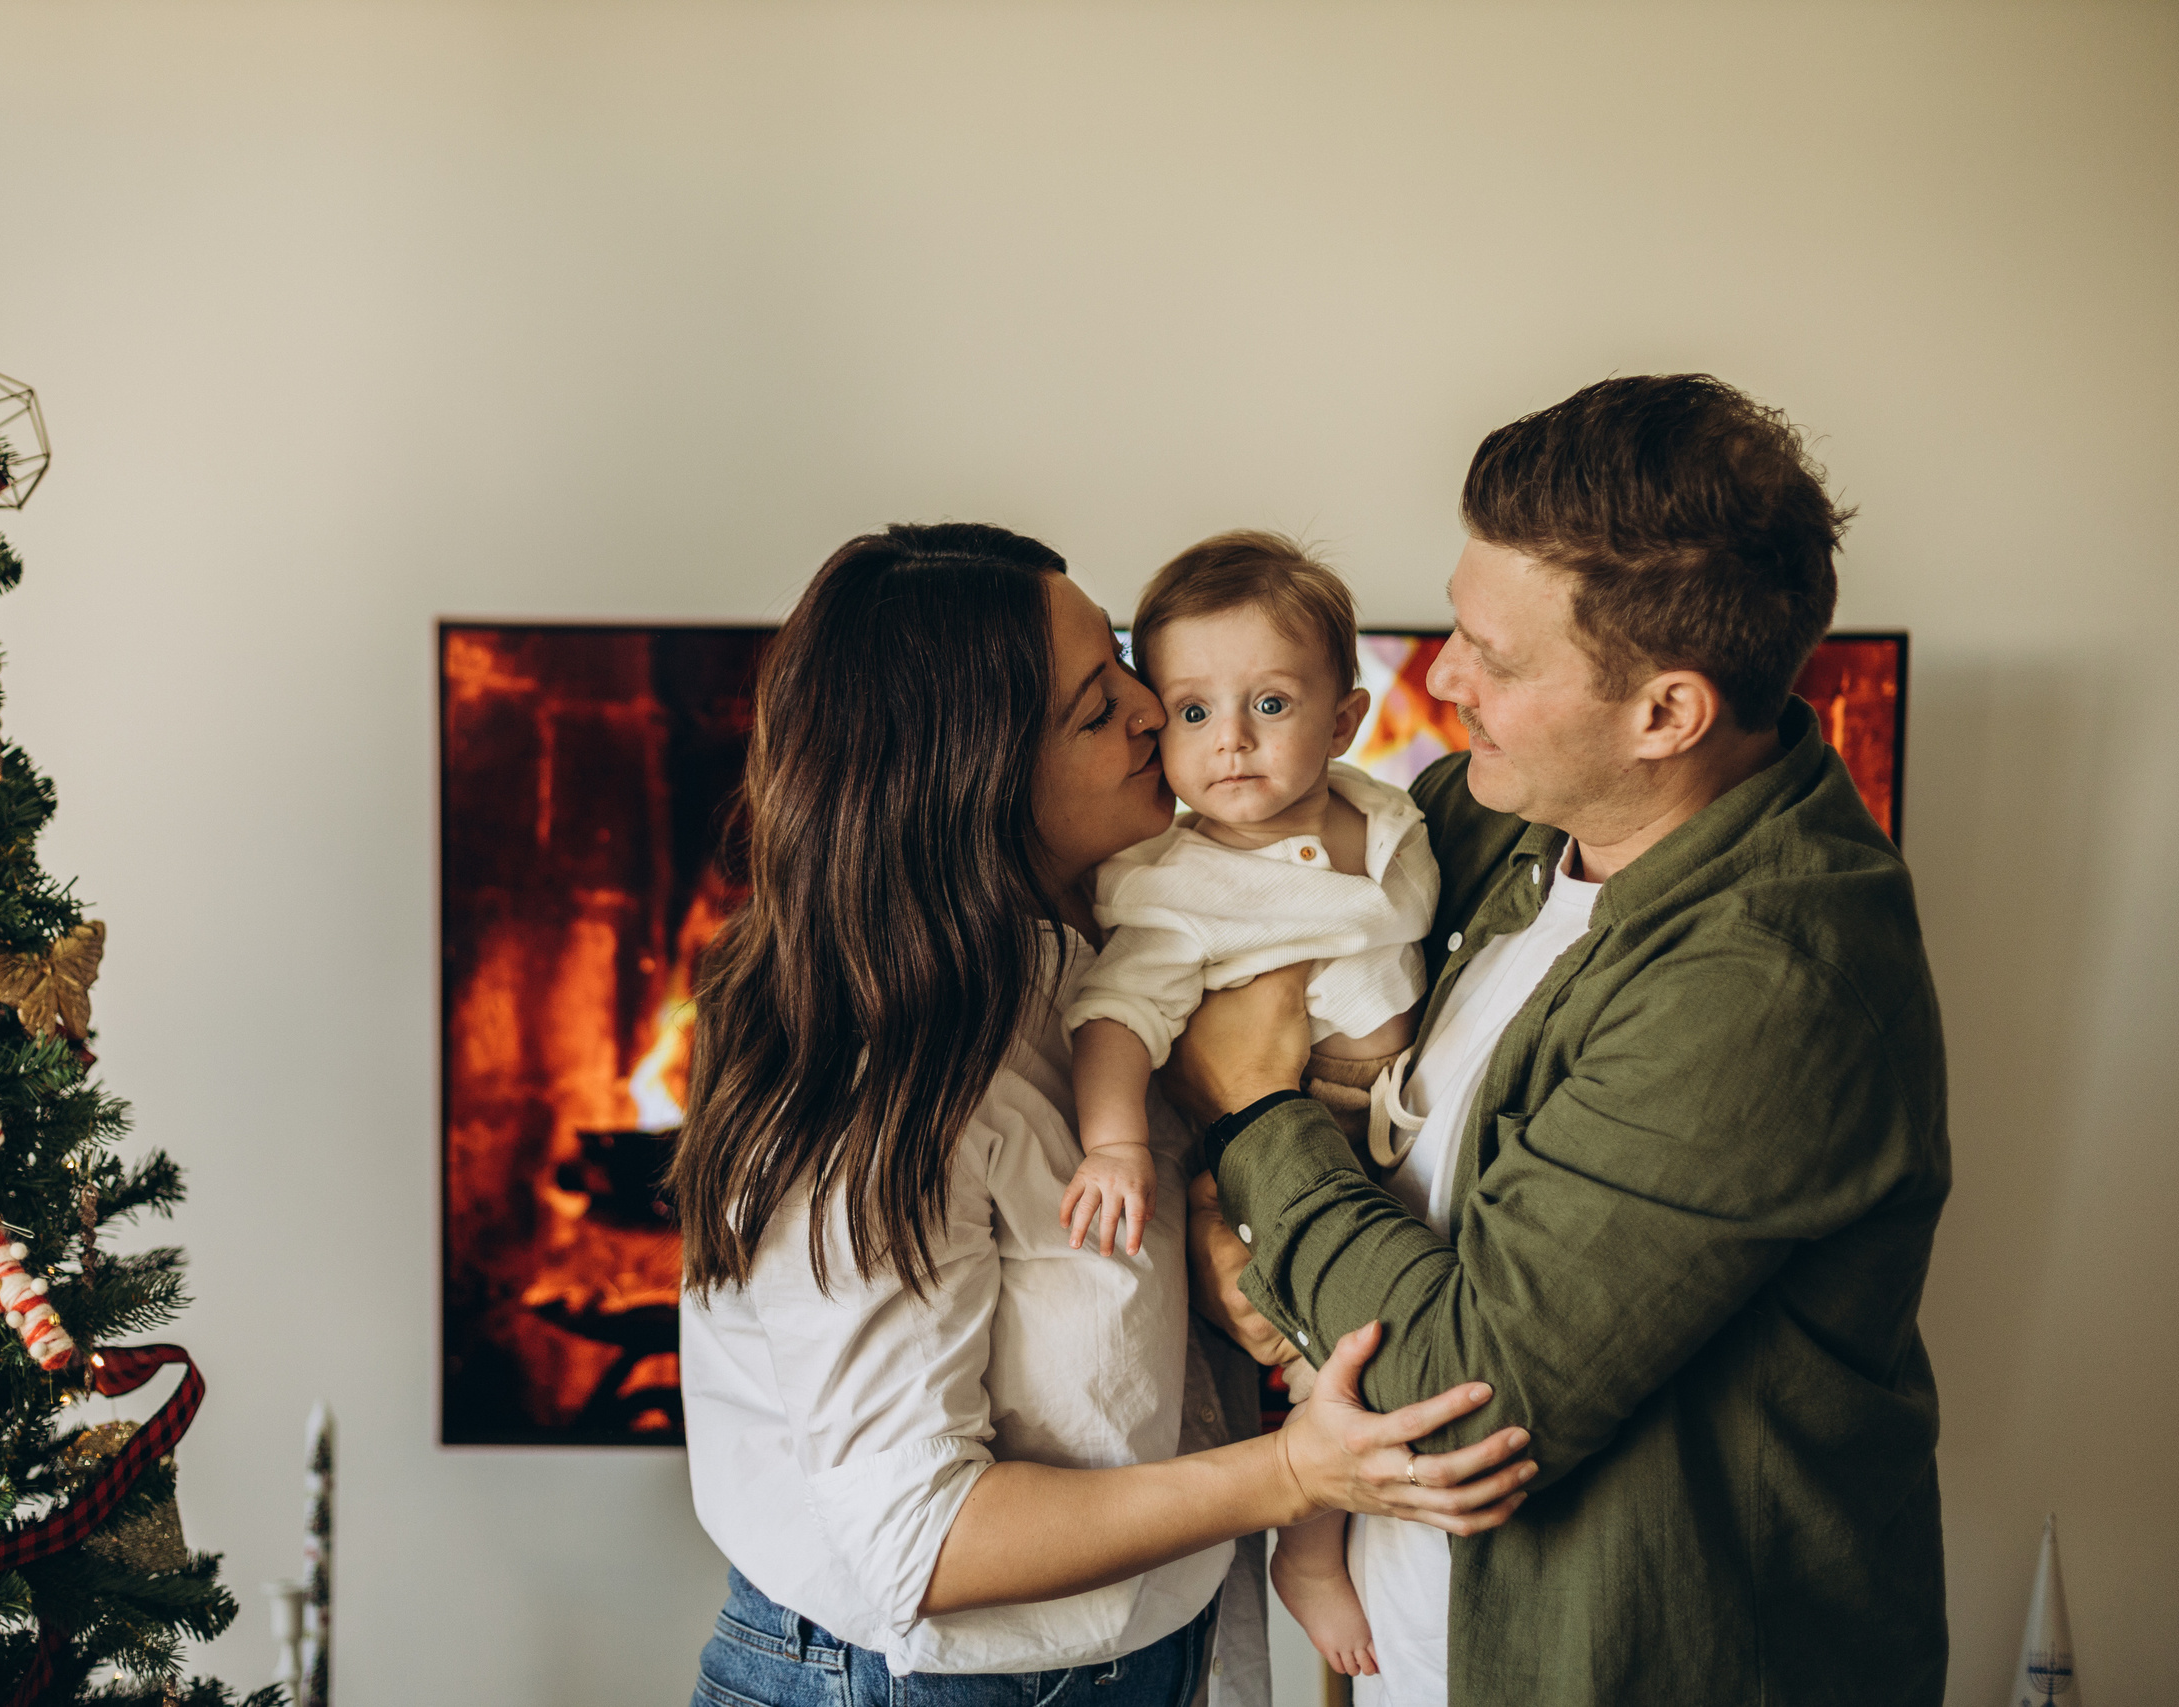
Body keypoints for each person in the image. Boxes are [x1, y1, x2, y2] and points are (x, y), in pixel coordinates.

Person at [1173, 376, 1949, 1707]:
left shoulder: (1770, 981)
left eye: (1497, 656)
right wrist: (1216, 1231)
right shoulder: (1483, 820)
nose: (1442, 676)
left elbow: (1462, 1395)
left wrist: (1249, 1114)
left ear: (1666, 714)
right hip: (1420, 1648)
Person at [671, 523, 1533, 1707]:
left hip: (1138, 1654)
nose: (1152, 709)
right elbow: (920, 1544)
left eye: (1126, 665)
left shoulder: (1129, 946)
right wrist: (1295, 1476)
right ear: (975, 776)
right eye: (1095, 708)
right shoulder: (876, 1089)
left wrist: (1220, 1246)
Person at [1057, 531, 1439, 1679]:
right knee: (1338, 1358)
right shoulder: (1175, 889)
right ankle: (1307, 1556)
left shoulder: (1388, 818)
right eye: (1191, 711)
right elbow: (1116, 1018)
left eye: (1269, 703)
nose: (1229, 739)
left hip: (1384, 1146)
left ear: (1345, 719)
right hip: (1277, 1160)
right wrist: (1114, 1143)